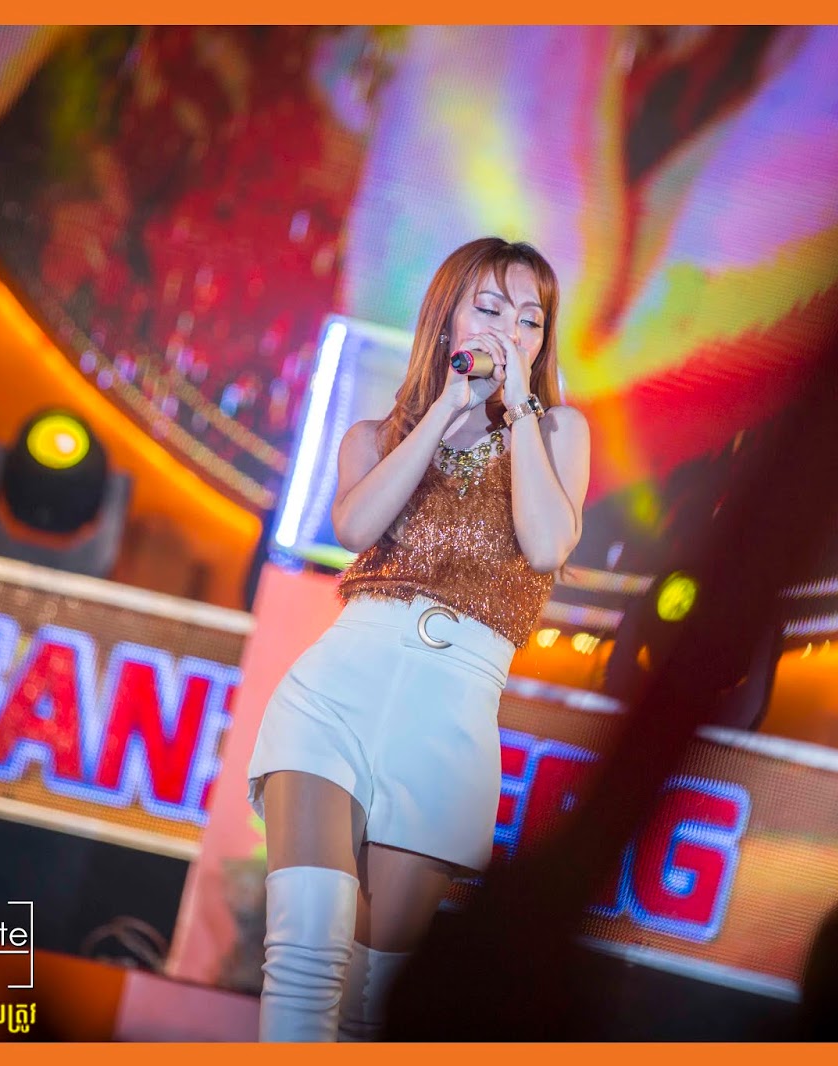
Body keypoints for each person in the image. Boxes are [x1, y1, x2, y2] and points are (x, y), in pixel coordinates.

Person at [246, 237, 591, 1041]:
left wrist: (519, 411)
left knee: (374, 1002)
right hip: (337, 692)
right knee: (305, 950)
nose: (510, 332)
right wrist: (444, 410)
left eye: (531, 320)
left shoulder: (557, 433)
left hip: (451, 713)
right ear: (447, 319)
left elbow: (546, 546)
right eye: (490, 308)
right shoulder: (376, 437)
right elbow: (354, 526)